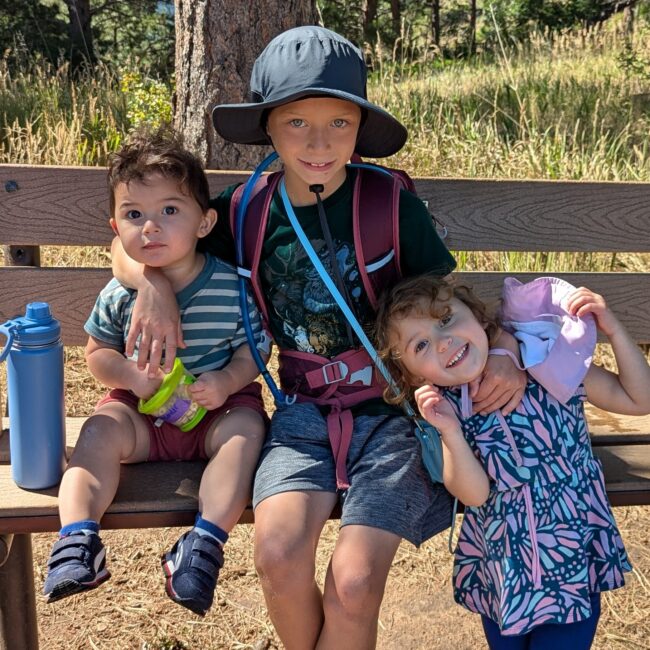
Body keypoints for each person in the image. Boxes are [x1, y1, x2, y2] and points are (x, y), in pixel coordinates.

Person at [111, 26, 526, 649]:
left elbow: (451, 307)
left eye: (339, 123)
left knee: (354, 583)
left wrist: (502, 351)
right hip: (301, 415)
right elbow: (130, 241)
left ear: (360, 129)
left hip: (396, 416)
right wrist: (152, 283)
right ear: (268, 129)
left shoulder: (392, 205)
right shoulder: (248, 208)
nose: (318, 142)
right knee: (277, 557)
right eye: (297, 122)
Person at [42, 127, 269, 617]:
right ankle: (78, 540)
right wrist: (129, 376)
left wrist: (228, 381)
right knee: (99, 431)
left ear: (205, 223)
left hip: (215, 411)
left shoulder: (230, 288)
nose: (151, 227)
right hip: (141, 414)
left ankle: (204, 542)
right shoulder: (119, 294)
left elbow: (255, 351)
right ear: (115, 226)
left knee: (247, 431)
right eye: (134, 215)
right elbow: (97, 354)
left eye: (170, 211)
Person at [375, 274, 650, 649]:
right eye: (421, 345)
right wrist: (451, 433)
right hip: (504, 574)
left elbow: (637, 400)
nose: (445, 343)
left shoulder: (548, 362)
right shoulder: (447, 411)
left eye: (446, 319)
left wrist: (614, 332)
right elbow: (473, 494)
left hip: (571, 565)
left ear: (478, 317)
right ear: (409, 374)